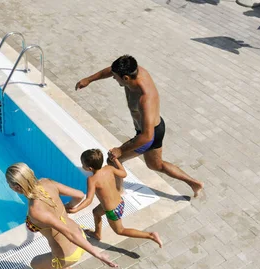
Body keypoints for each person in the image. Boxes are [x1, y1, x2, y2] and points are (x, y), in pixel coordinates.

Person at [75, 55, 204, 197]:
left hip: (148, 135)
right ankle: (194, 183)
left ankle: (118, 194)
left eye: (116, 77)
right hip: (154, 127)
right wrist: (89, 79)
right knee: (156, 165)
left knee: (113, 160)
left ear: (125, 78)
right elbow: (110, 71)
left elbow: (146, 136)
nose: (113, 78)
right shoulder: (136, 71)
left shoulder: (144, 99)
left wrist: (120, 149)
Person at [6, 163, 118, 269]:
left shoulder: (36, 210)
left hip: (67, 253)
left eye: (9, 184)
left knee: (37, 265)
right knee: (63, 268)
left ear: (16, 187)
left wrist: (98, 254)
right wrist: (69, 207)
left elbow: (68, 233)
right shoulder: (47, 182)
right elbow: (79, 195)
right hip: (80, 235)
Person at [67, 149, 162, 248]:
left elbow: (89, 199)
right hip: (120, 202)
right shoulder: (109, 168)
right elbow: (124, 174)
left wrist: (76, 209)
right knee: (96, 212)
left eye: (83, 164)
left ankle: (150, 235)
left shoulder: (92, 180)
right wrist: (116, 160)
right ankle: (97, 234)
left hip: (112, 211)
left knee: (120, 231)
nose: (82, 166)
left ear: (90, 168)